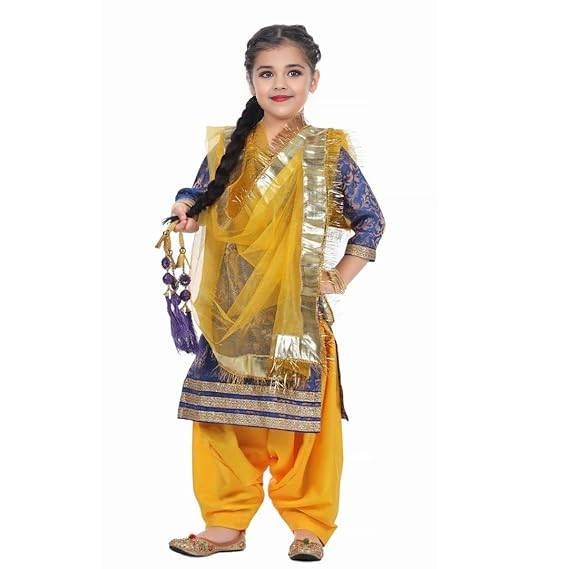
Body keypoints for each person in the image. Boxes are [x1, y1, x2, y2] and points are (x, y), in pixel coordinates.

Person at [164, 24, 386, 561]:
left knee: (302, 424)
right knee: (220, 418)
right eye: (267, 73)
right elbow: (199, 194)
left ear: (314, 80)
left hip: (294, 314)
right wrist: (186, 211)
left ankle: (309, 524)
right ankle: (224, 525)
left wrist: (339, 275)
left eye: (293, 72)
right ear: (251, 81)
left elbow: (371, 220)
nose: (280, 84)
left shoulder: (327, 152)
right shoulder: (229, 147)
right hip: (231, 309)